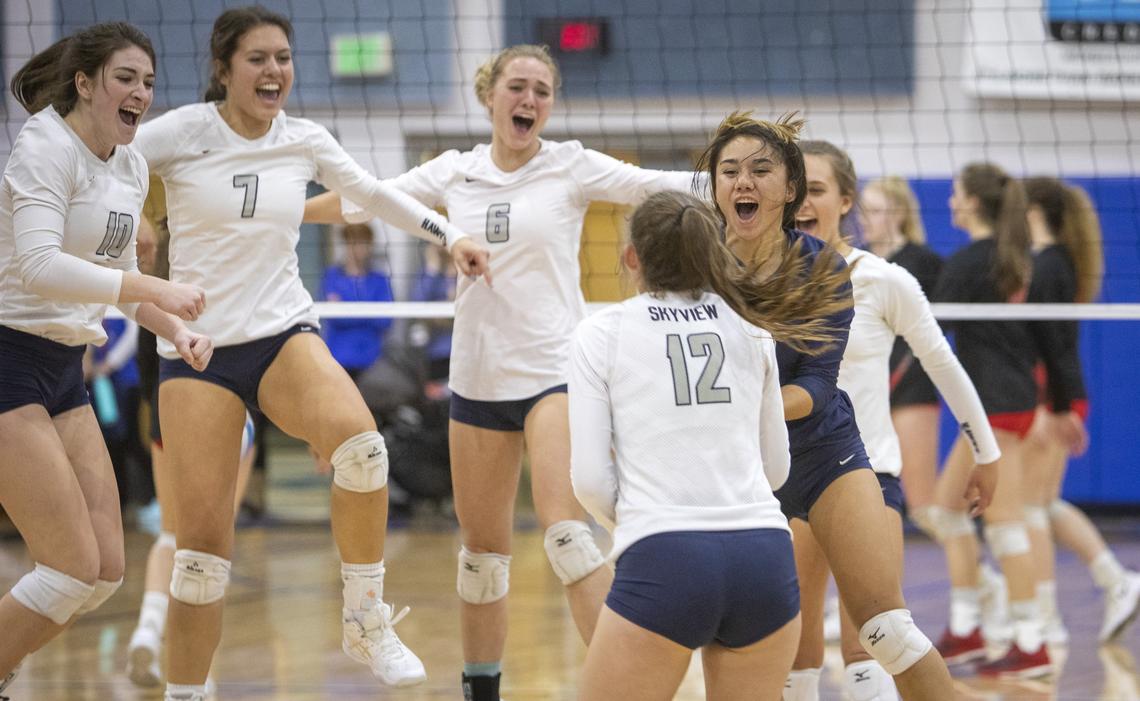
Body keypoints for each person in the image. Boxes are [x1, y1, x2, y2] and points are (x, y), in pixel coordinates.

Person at [306, 44, 696, 701]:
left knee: (569, 538)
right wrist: (274, 210)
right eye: (518, 86)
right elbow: (364, 201)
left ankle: (627, 689)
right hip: (478, 380)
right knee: (482, 559)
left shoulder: (569, 164)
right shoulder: (454, 171)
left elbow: (651, 183)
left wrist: (743, 184)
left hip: (554, 373)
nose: (530, 100)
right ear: (489, 95)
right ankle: (481, 690)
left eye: (542, 90)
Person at [131, 7, 490, 700]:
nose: (274, 71)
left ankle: (364, 619)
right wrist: (136, 214)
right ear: (223, 69)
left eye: (284, 58)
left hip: (280, 332)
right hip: (198, 347)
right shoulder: (180, 132)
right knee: (200, 556)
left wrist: (450, 235)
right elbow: (104, 164)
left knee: (364, 450)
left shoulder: (304, 139)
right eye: (258, 58)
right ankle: (185, 692)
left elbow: (373, 195)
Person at [698, 112, 964, 701]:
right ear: (715, 187)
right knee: (749, 642)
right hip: (736, 469)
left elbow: (817, 384)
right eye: (730, 171)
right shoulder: (697, 265)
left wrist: (746, 406)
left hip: (822, 454)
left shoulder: (823, 265)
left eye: (760, 170)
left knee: (885, 629)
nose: (743, 181)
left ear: (789, 188)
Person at [570, 191, 853, 700]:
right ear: (712, 255)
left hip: (664, 554)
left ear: (632, 257)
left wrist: (638, 523)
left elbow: (590, 480)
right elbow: (776, 470)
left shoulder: (600, 333)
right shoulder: (753, 330)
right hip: (764, 558)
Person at [0, 22, 212, 694]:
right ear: (85, 83)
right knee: (66, 569)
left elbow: (120, 279)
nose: (141, 93)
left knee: (103, 573)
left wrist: (175, 331)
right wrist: (153, 289)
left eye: (148, 82)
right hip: (8, 356)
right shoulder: (45, 145)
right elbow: (38, 266)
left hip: (64, 368)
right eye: (126, 78)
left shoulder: (130, 165)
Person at [789, 141, 1001, 700]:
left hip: (865, 474)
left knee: (871, 644)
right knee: (795, 651)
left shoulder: (883, 280)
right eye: (795, 189)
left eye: (816, 189)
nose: (802, 201)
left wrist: (987, 454)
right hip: (784, 481)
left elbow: (944, 364)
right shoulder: (763, 281)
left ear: (845, 200)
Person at [930, 162, 1084, 678]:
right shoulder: (1015, 257)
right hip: (1007, 400)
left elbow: (927, 326)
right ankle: (967, 628)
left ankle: (1030, 641)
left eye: (956, 193)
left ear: (973, 202)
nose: (951, 201)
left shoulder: (973, 261)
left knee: (1005, 523)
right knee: (948, 511)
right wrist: (1059, 404)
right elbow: (1047, 337)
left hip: (996, 406)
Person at [125, 216, 258, 689]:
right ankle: (201, 677)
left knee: (171, 533)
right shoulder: (230, 277)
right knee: (211, 545)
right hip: (225, 407)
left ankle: (148, 627)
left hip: (167, 404)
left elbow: (146, 370)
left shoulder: (153, 291)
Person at [1021, 176, 1140, 645]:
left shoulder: (1049, 264)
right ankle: (1117, 580)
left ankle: (1046, 619)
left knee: (1030, 507)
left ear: (1033, 210)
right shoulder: (1052, 261)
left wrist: (1056, 407)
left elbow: (1056, 344)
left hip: (1048, 397)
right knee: (1043, 504)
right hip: (1054, 394)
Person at [858, 177, 946, 535]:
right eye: (863, 211)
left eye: (875, 211)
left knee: (923, 506)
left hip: (911, 391)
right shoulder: (857, 262)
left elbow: (942, 328)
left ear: (898, 214)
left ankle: (975, 569)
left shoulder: (924, 263)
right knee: (864, 502)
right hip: (866, 393)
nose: (865, 219)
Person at [319, 223, 394, 380]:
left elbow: (385, 320)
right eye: (354, 241)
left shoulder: (379, 280)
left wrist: (347, 309)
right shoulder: (332, 277)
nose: (360, 247)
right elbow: (334, 318)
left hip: (372, 361)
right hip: (339, 359)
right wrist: (371, 311)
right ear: (347, 244)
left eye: (364, 242)